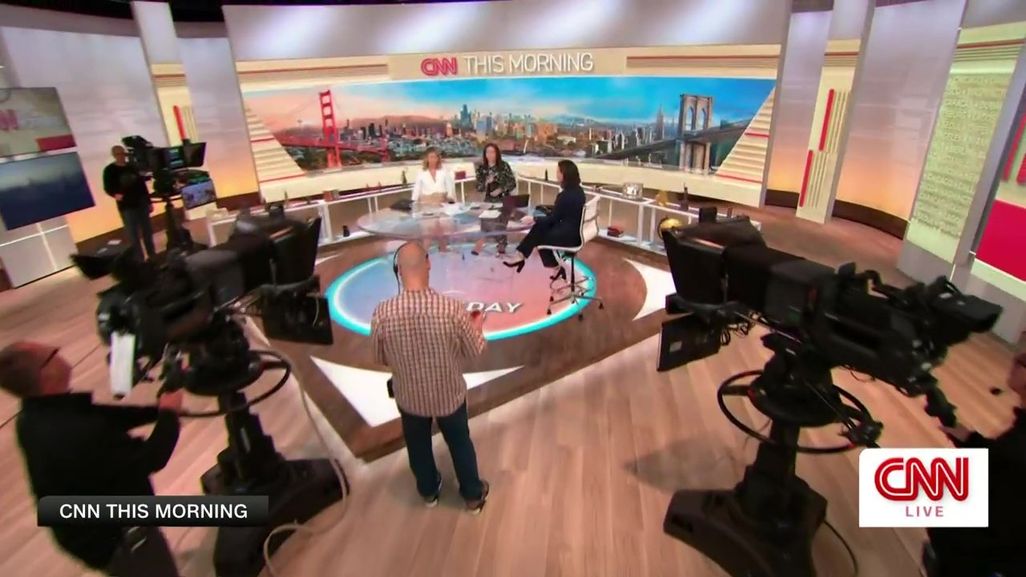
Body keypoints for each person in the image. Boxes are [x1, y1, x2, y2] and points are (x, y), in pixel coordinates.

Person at [0, 341, 183, 577]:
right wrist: (170, 414)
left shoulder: (33, 416)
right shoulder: (77, 432)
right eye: (53, 352)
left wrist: (157, 411)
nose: (60, 352)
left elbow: (100, 415)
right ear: (46, 374)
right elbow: (152, 457)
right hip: (118, 538)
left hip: (84, 531)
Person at [370, 242, 491, 514]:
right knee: (460, 442)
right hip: (449, 395)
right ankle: (473, 496)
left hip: (409, 397)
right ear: (429, 263)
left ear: (398, 271)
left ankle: (428, 492)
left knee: (417, 445)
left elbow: (380, 357)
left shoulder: (382, 314)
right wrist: (477, 328)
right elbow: (474, 350)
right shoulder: (452, 309)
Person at [926, 351, 1026, 577]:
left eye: (1023, 363)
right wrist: (970, 439)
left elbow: (1005, 467)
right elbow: (1001, 460)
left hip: (995, 550)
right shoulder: (1019, 436)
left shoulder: (1018, 448)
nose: (1016, 361)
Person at [502, 159, 585, 282]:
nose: (556, 174)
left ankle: (549, 265)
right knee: (540, 228)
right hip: (574, 231)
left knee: (539, 235)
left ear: (564, 174)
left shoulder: (565, 196)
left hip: (569, 237)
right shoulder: (578, 191)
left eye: (558, 171)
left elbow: (554, 219)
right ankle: (521, 255)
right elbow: (561, 213)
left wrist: (534, 219)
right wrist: (540, 218)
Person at [103, 145, 156, 261]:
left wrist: (149, 202)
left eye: (123, 154)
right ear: (114, 155)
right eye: (118, 154)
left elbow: (142, 185)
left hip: (141, 203)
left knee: (147, 231)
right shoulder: (110, 170)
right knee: (133, 235)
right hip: (127, 206)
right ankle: (139, 260)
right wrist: (116, 195)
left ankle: (152, 256)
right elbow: (107, 187)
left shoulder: (132, 167)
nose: (121, 156)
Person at [472, 143, 517, 256]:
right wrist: (486, 182)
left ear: (497, 153)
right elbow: (479, 187)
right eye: (488, 152)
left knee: (500, 223)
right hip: (489, 200)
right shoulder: (482, 168)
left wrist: (501, 189)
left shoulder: (504, 166)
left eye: (492, 152)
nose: (490, 155)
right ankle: (481, 243)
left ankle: (501, 245)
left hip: (504, 199)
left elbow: (512, 183)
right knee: (485, 222)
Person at [411, 147, 455, 252]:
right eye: (431, 157)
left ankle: (443, 250)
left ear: (438, 158)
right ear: (426, 158)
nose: (433, 159)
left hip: (442, 203)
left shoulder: (443, 171)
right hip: (427, 204)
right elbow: (417, 189)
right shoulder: (421, 172)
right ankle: (423, 254)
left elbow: (449, 186)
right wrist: (413, 204)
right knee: (428, 232)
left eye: (435, 157)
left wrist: (451, 199)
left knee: (442, 230)